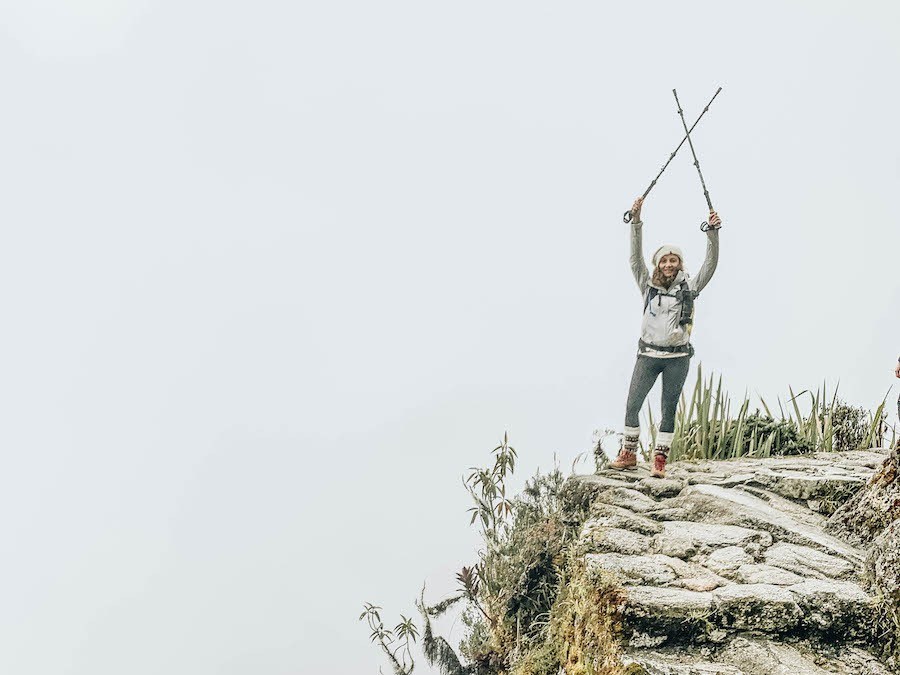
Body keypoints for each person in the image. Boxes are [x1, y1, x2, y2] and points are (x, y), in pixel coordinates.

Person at [609, 196, 721, 478]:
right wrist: (636, 222)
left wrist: (713, 233)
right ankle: (628, 454)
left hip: (677, 358)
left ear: (679, 264)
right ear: (657, 265)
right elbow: (634, 258)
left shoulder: (690, 286)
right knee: (633, 405)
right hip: (647, 355)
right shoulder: (647, 285)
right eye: (664, 261)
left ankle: (659, 461)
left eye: (673, 260)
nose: (669, 264)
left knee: (667, 409)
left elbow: (710, 264)